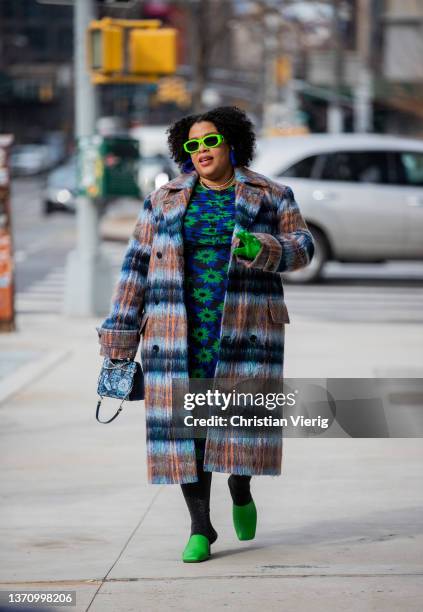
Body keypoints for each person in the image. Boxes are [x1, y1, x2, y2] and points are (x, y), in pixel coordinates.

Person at [96, 106, 315, 563]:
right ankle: (200, 527)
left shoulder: (271, 194)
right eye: (192, 145)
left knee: (239, 427)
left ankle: (240, 487)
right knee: (185, 432)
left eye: (209, 142)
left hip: (245, 325)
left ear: (231, 143)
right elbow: (135, 268)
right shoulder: (163, 201)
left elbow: (303, 248)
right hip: (178, 329)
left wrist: (264, 247)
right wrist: (120, 340)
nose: (201, 152)